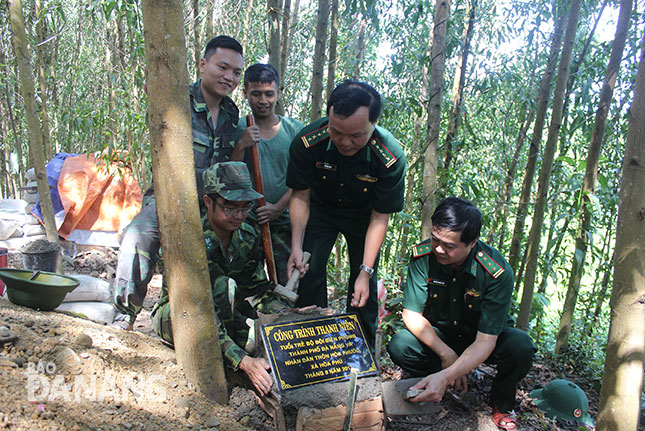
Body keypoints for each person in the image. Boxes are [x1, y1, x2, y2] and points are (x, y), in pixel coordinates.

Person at [113, 35, 248, 326]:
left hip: (210, 205)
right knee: (138, 236)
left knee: (243, 242)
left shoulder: (230, 113)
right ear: (203, 64)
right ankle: (124, 316)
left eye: (236, 72)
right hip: (167, 197)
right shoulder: (175, 98)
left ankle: (228, 320)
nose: (229, 77)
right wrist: (155, 94)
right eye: (222, 67)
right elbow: (156, 115)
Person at [387, 197, 537, 431]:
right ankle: (433, 382)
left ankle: (502, 403)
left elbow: (486, 341)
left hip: (482, 339)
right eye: (435, 239)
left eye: (449, 245)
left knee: (521, 346)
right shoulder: (423, 256)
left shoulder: (495, 272)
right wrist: (447, 356)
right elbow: (411, 314)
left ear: (472, 242)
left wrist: (451, 371)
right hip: (441, 336)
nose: (438, 248)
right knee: (400, 344)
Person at [286, 80, 406, 349]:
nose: (345, 142)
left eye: (357, 135)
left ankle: (359, 353)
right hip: (320, 209)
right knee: (309, 272)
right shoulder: (308, 141)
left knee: (363, 287)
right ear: (328, 117)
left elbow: (380, 217)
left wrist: (365, 271)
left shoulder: (390, 156)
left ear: (373, 124)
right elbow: (300, 195)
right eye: (337, 132)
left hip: (364, 217)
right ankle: (310, 347)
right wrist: (296, 246)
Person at [151, 162, 287, 396]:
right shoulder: (190, 240)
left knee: (265, 339)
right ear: (208, 202)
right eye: (230, 208)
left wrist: (287, 315)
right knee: (224, 288)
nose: (239, 215)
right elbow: (198, 310)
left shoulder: (247, 234)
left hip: (227, 316)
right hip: (179, 315)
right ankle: (230, 357)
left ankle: (235, 348)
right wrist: (243, 361)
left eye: (245, 208)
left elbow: (256, 290)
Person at [235, 63, 304, 285]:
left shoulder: (294, 130)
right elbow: (229, 174)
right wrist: (241, 145)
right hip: (247, 223)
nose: (262, 100)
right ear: (245, 92)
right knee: (248, 286)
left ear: (278, 93)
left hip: (285, 223)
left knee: (285, 282)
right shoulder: (238, 128)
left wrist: (277, 208)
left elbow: (303, 178)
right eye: (255, 94)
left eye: (268, 94)